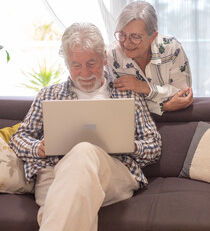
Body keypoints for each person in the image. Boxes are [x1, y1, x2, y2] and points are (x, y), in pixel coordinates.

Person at [9, 22, 161, 231]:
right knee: (74, 203)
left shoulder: (128, 93)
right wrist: (38, 148)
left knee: (82, 153)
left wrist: (130, 145)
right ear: (67, 64)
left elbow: (154, 146)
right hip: (54, 173)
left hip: (113, 173)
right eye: (76, 65)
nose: (84, 73)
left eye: (91, 63)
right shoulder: (49, 95)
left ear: (105, 58)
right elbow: (18, 137)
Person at [106, 0, 193, 115]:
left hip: (173, 121)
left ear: (153, 37)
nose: (126, 43)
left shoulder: (172, 49)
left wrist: (146, 88)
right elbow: (118, 105)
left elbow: (184, 96)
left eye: (135, 37)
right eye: (122, 35)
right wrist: (165, 106)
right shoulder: (112, 55)